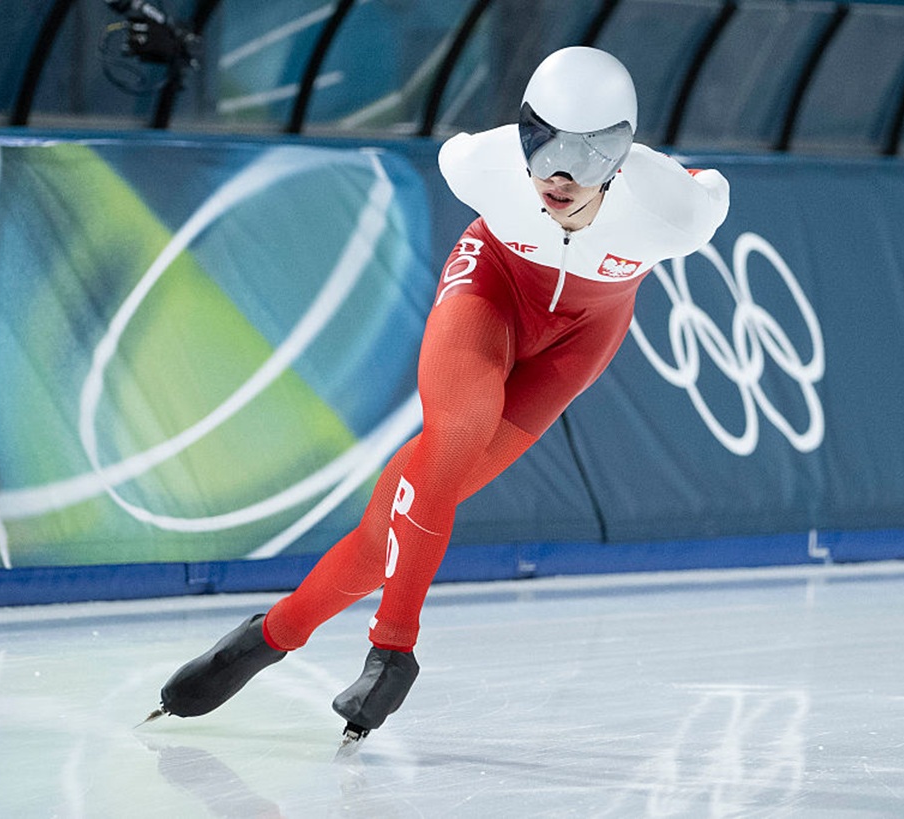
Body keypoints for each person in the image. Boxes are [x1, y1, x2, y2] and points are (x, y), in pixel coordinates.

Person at [146, 46, 730, 748]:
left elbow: (704, 189)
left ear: (622, 154)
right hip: (491, 289)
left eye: (584, 153)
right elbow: (465, 151)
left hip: (582, 338)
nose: (556, 171)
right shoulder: (483, 167)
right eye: (540, 141)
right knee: (455, 435)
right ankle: (392, 650)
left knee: (384, 533)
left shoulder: (673, 213)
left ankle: (270, 634)